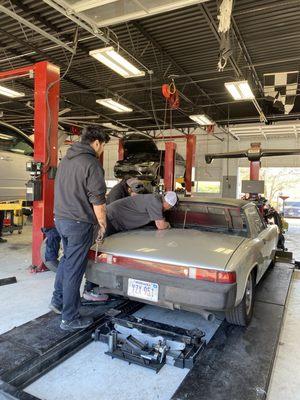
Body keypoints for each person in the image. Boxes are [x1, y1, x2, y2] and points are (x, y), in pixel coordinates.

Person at [50, 126, 110, 332]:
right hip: (79, 223)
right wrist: (102, 224)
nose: (101, 150)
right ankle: (69, 318)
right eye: (102, 146)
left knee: (67, 261)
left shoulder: (66, 160)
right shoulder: (91, 163)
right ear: (96, 143)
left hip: (61, 219)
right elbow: (98, 201)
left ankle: (58, 301)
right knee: (75, 270)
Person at [106, 191, 178, 234]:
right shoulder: (156, 202)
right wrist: (168, 225)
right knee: (100, 247)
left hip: (114, 219)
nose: (168, 209)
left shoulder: (155, 199)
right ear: (169, 205)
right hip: (110, 218)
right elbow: (161, 226)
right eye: (170, 208)